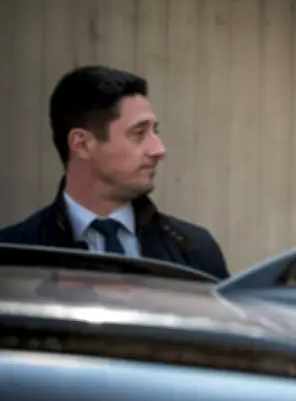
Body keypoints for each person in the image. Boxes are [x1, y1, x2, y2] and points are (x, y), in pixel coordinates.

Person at [0, 65, 229, 279]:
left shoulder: (195, 252)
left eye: (155, 131)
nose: (159, 150)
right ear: (82, 144)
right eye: (139, 133)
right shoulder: (14, 254)